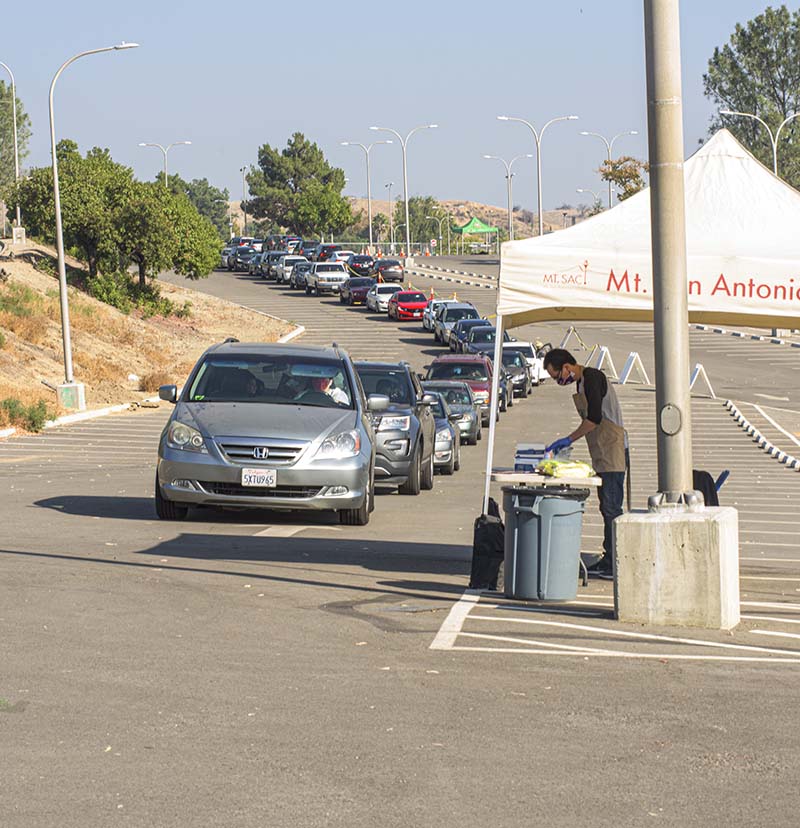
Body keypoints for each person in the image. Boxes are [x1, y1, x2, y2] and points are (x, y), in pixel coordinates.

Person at [543, 348, 626, 579]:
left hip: (613, 450)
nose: (559, 381)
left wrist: (569, 439)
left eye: (557, 376)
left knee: (612, 507)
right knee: (605, 506)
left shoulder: (592, 378)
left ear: (567, 367)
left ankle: (614, 561)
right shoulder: (580, 384)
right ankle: (609, 557)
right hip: (600, 451)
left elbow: (595, 418)